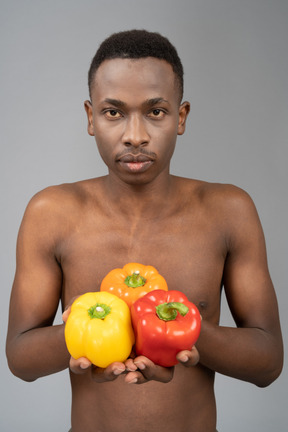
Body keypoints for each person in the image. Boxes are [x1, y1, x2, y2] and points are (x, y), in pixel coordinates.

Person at [6, 29, 283, 432]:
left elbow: (269, 361)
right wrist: (90, 335)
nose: (135, 136)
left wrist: (187, 333)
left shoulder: (229, 211)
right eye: (113, 112)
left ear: (181, 116)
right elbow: (19, 356)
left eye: (155, 111)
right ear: (90, 117)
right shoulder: (51, 213)